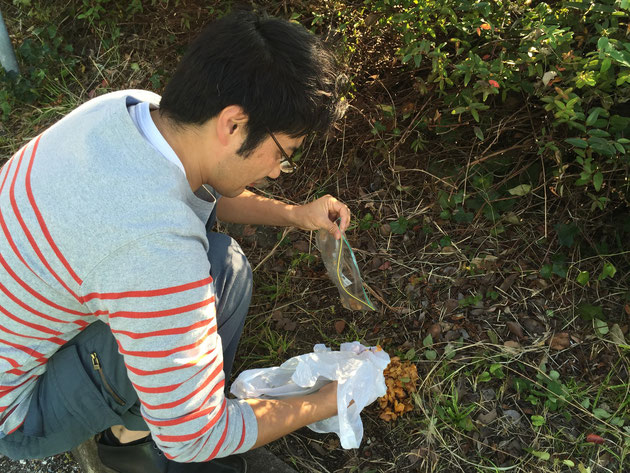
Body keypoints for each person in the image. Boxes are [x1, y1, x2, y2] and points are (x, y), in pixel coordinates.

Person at [0, 10, 349, 473]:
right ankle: (133, 441)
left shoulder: (129, 109)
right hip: (18, 413)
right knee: (223, 273)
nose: (273, 171)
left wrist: (294, 215)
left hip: (26, 313)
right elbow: (196, 437)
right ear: (232, 124)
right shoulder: (155, 247)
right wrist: (327, 402)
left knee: (215, 264)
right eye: (284, 154)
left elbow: (202, 188)